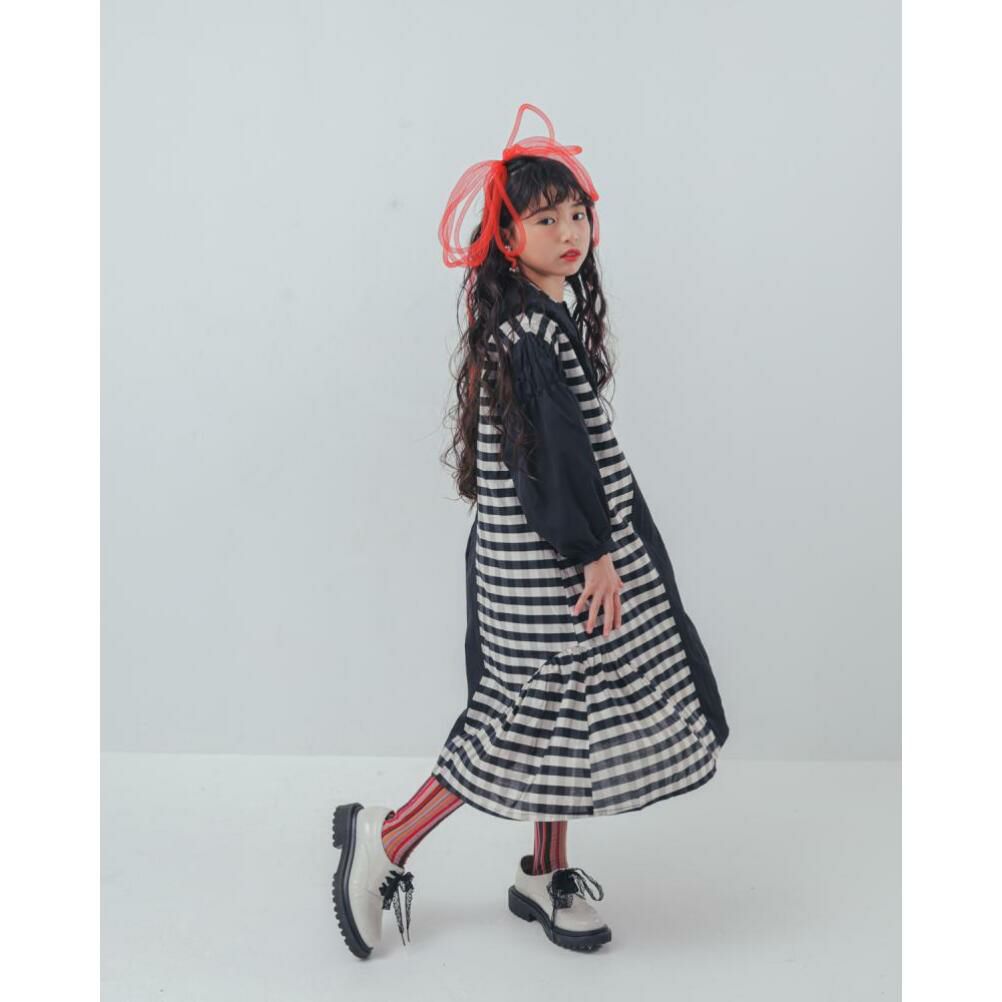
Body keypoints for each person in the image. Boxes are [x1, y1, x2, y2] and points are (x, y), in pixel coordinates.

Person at [331, 102, 729, 959]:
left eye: (576, 213)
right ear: (507, 239)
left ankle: (544, 872)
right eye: (545, 219)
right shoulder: (529, 338)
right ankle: (387, 839)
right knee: (522, 711)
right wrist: (592, 554)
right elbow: (549, 458)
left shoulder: (541, 323)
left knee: (562, 711)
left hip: (552, 551)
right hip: (550, 558)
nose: (569, 231)